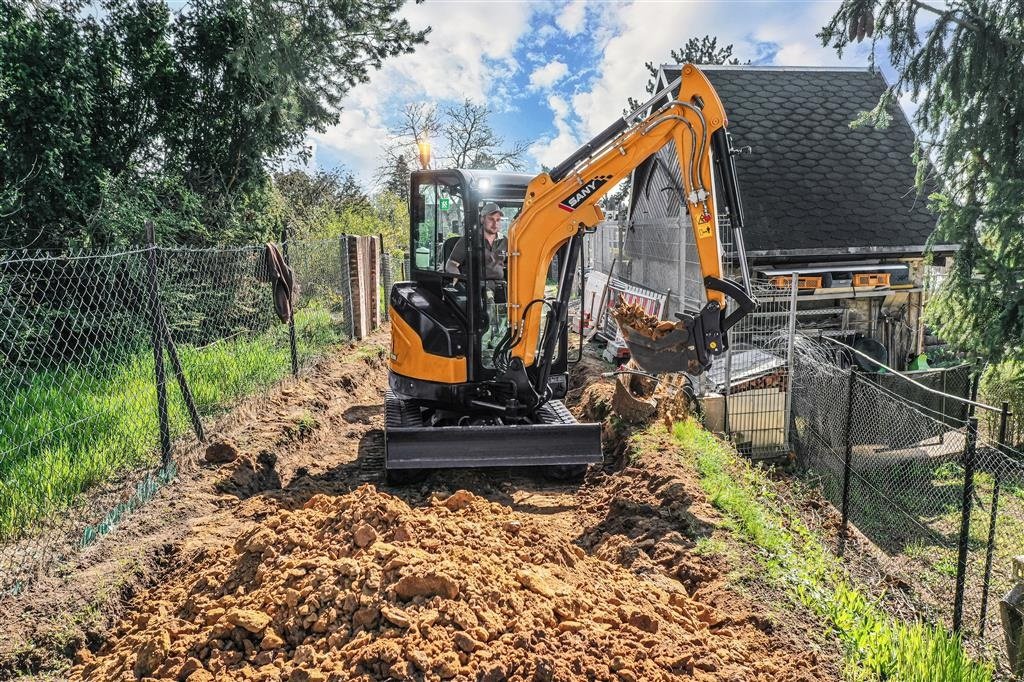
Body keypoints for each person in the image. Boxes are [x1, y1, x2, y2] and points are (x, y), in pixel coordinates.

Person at [444, 202, 507, 284]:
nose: (495, 223)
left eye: (498, 220)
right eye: (491, 219)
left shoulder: (505, 241)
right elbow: (451, 264)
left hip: (501, 287)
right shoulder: (469, 240)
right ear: (482, 219)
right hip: (475, 288)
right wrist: (456, 275)